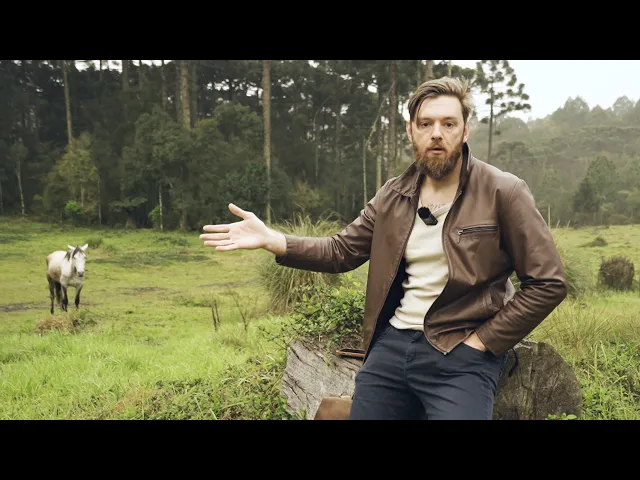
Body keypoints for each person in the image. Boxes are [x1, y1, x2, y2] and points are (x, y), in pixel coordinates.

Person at [200, 77, 568, 420]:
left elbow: (548, 282)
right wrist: (274, 240)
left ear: (465, 130)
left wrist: (482, 342)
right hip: (392, 345)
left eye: (448, 124)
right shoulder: (393, 194)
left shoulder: (503, 190)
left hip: (462, 352)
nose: (436, 133)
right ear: (411, 130)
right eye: (425, 124)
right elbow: (341, 251)